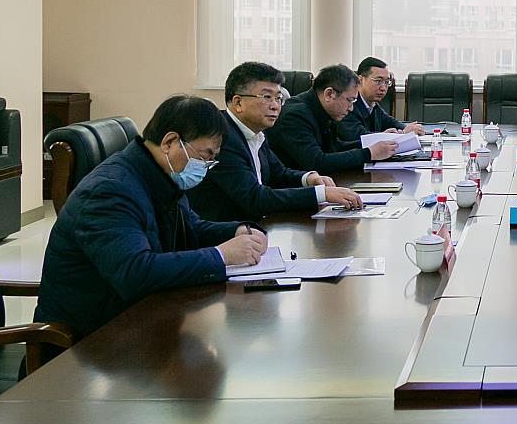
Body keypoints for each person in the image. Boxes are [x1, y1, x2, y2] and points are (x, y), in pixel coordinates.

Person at [35, 95, 269, 340]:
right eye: (203, 156)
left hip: (137, 320)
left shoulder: (160, 175)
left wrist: (237, 231)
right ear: (170, 142)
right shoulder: (109, 191)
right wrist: (221, 256)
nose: (205, 166)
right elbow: (134, 272)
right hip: (90, 340)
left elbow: (189, 228)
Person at [189, 61, 364, 222]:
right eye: (267, 97)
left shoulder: (256, 132)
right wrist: (320, 194)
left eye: (278, 98)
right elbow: (255, 198)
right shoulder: (223, 138)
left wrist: (308, 178)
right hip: (225, 233)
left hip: (256, 226)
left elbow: (278, 173)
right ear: (238, 102)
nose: (275, 106)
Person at [268, 64, 396, 174]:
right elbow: (317, 163)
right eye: (350, 100)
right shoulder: (295, 116)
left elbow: (334, 147)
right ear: (329, 94)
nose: (351, 108)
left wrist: (376, 142)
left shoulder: (320, 109)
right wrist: (369, 153)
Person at [337, 56, 424, 143]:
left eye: (386, 82)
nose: (383, 88)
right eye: (378, 81)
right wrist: (403, 133)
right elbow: (359, 138)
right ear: (360, 80)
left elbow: (390, 122)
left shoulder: (372, 104)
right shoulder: (348, 105)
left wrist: (408, 128)